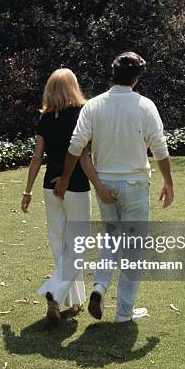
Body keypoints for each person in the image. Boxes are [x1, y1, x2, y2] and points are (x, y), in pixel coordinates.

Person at [53, 52, 174, 323]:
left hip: (104, 184)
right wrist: (168, 182)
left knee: (111, 240)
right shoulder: (145, 106)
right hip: (135, 184)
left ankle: (99, 286)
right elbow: (160, 148)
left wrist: (65, 178)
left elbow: (75, 147)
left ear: (112, 73)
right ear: (138, 77)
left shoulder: (93, 106)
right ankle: (123, 312)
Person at [21, 68, 115, 324]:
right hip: (74, 186)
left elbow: (37, 157)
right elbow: (83, 154)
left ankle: (74, 301)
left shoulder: (45, 118)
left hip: (48, 187)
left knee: (60, 242)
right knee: (77, 245)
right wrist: (97, 183)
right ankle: (54, 293)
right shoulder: (81, 115)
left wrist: (27, 190)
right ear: (74, 87)